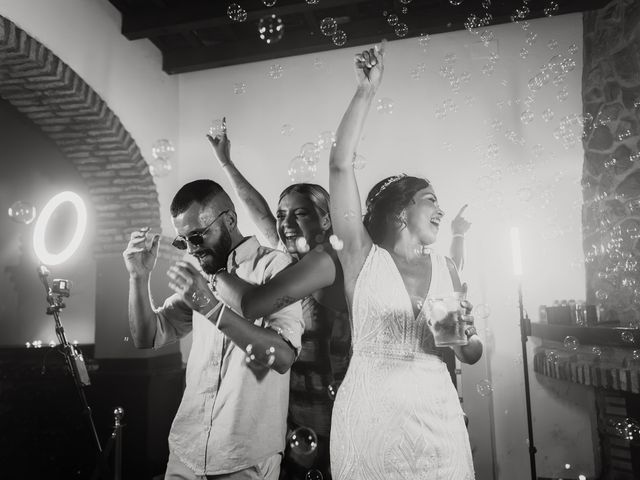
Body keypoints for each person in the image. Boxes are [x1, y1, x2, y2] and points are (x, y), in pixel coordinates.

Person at [327, 42, 482, 479]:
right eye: (430, 199)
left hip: (439, 419)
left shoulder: (447, 270)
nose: (440, 209)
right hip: (371, 418)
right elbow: (340, 168)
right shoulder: (361, 257)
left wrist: (464, 335)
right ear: (401, 210)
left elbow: (470, 354)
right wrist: (365, 91)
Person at [122, 179, 304, 480]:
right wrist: (138, 278)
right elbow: (146, 336)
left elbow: (282, 356)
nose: (192, 249)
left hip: (244, 457)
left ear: (230, 219)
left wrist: (210, 307)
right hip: (185, 453)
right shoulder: (203, 274)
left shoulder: (275, 267)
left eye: (197, 236)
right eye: (183, 241)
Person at [205, 124, 350, 480]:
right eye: (282, 214)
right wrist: (226, 162)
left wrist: (213, 277)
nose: (284, 223)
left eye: (299, 213)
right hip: (290, 412)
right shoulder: (289, 260)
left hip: (333, 412)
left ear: (325, 218)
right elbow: (258, 211)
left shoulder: (332, 265)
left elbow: (252, 304)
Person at [450, 204, 472, 271]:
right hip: (457, 240)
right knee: (458, 265)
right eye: (463, 219)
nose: (464, 220)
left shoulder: (459, 230)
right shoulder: (455, 224)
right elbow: (459, 214)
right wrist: (464, 208)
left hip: (459, 239)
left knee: (460, 265)